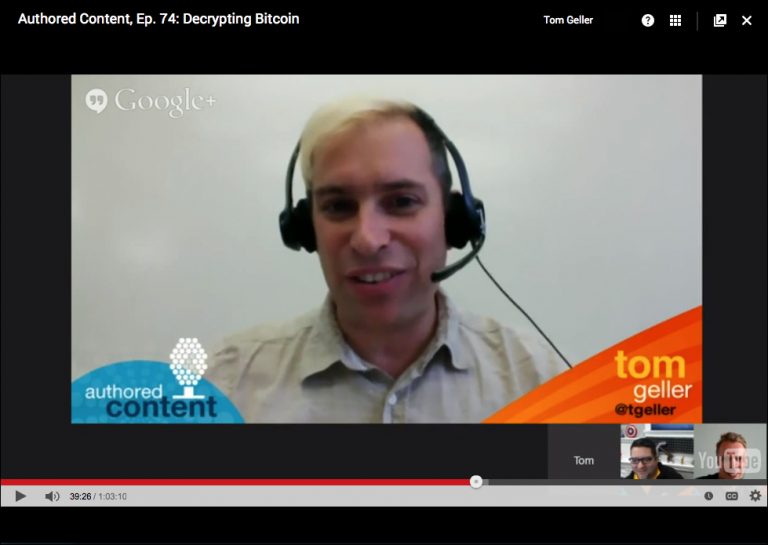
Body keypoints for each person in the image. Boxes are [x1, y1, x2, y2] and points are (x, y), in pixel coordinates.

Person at [206, 96, 565, 423]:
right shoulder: (224, 385)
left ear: (454, 219)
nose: (368, 240)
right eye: (339, 206)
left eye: (402, 202)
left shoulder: (540, 380)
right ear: (306, 228)